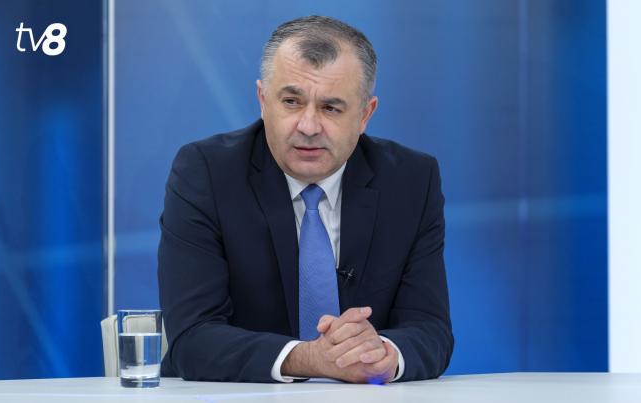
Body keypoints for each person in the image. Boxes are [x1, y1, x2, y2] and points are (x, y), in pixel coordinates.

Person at [158, 15, 453, 384]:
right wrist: (311, 359)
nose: (309, 126)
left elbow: (430, 329)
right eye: (291, 101)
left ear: (365, 114)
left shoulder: (410, 181)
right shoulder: (207, 173)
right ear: (262, 100)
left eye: (331, 108)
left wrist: (383, 354)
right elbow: (192, 338)